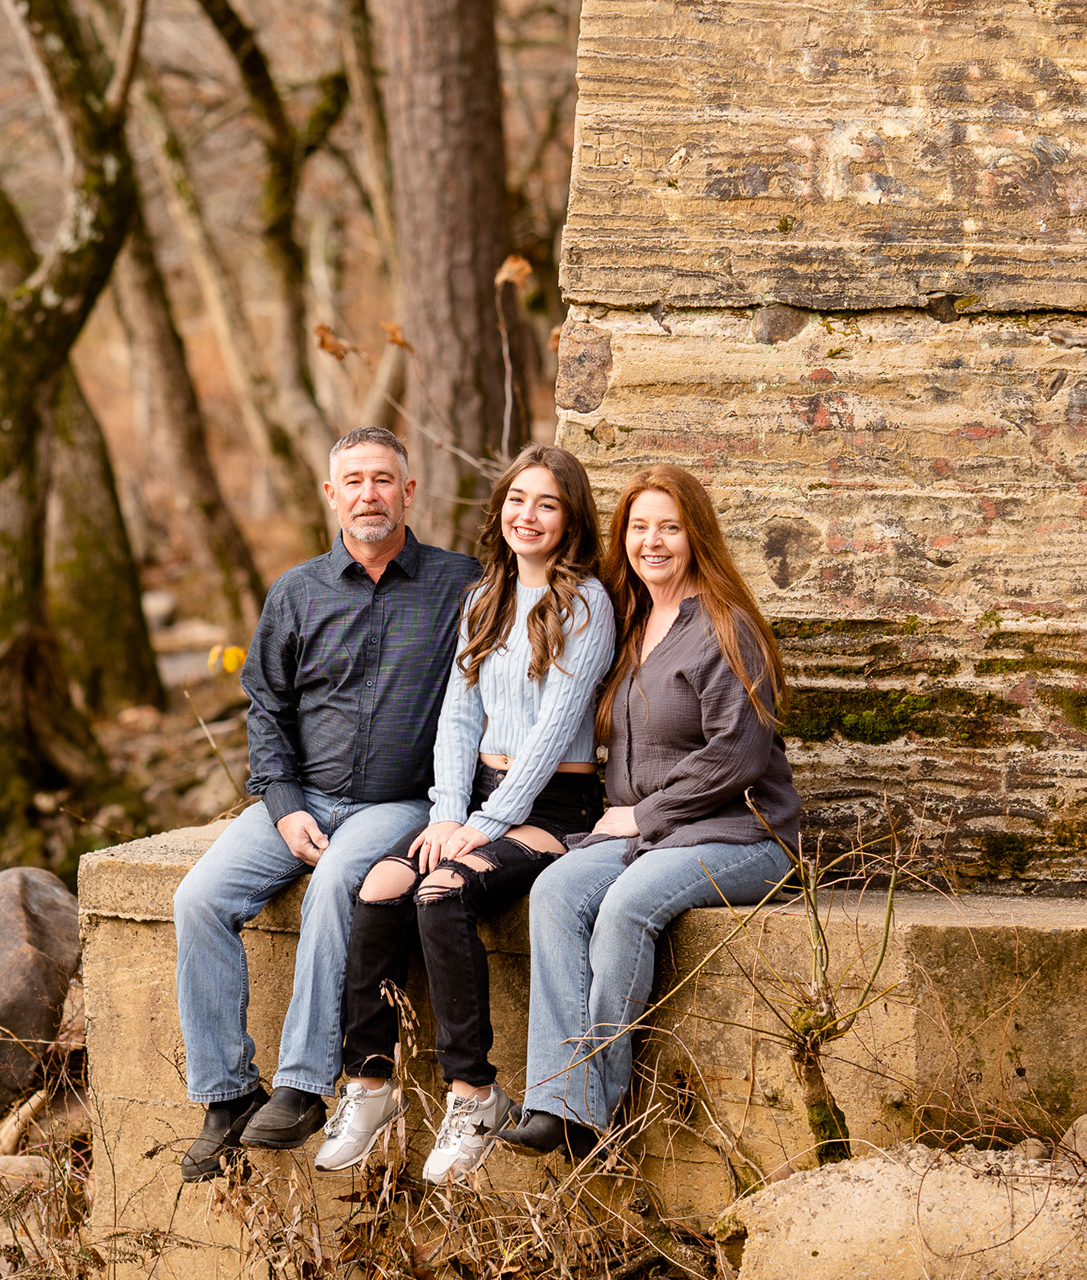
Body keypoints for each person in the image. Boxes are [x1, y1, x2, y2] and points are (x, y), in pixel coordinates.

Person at [171, 425, 480, 1182]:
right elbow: (266, 709)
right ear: (331, 493)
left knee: (339, 880)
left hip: (398, 802)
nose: (369, 494)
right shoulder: (297, 591)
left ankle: (306, 1084)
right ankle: (227, 1094)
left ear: (410, 492)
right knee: (197, 899)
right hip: (300, 797)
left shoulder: (461, 585)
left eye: (384, 479)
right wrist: (281, 803)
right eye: (355, 481)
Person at [313, 444, 616, 1183]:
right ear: (500, 511)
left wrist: (480, 826)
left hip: (554, 806)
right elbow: (457, 717)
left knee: (441, 892)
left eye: (547, 504)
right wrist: (451, 812)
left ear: (570, 517)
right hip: (478, 797)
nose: (528, 516)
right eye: (517, 500)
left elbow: (551, 734)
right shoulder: (484, 599)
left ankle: (474, 1093)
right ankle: (369, 1084)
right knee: (381, 887)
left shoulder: (587, 604)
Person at [498, 464, 801, 1159]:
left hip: (745, 832)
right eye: (639, 528)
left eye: (669, 527)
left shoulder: (728, 627)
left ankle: (588, 1112)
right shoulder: (632, 621)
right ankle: (560, 1099)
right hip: (657, 831)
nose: (652, 542)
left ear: (696, 535)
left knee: (627, 904)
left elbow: (741, 753)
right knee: (555, 890)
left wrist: (645, 813)